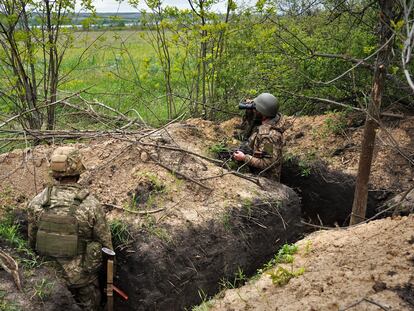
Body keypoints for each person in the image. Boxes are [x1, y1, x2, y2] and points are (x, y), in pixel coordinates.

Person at [27, 146, 113, 311]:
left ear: (54, 172)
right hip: (82, 280)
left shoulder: (37, 202)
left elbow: (31, 242)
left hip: (48, 279)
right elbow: (106, 246)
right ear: (79, 171)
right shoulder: (91, 205)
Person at [233, 93, 284, 181]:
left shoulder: (269, 136)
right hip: (256, 173)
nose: (254, 110)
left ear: (262, 113)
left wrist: (244, 158)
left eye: (256, 109)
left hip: (266, 181)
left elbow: (267, 163)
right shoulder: (266, 121)